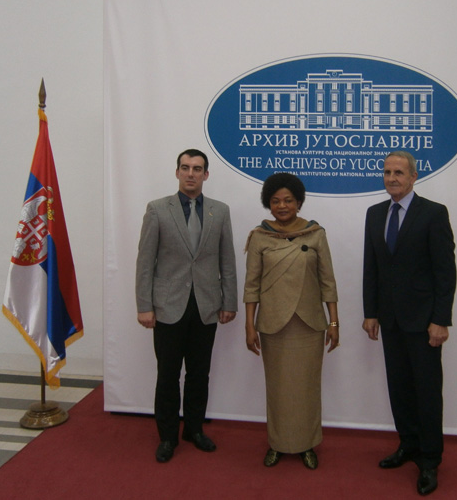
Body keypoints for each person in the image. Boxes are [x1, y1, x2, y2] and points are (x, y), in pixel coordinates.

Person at [362, 151, 456, 496]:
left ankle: (429, 459)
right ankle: (408, 444)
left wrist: (440, 320)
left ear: (414, 176)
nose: (392, 178)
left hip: (423, 322)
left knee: (427, 392)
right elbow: (371, 266)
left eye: (399, 172)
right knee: (399, 388)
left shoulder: (433, 213)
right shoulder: (375, 213)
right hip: (389, 320)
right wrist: (370, 312)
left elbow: (445, 272)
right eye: (387, 172)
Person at [135, 148, 237, 463]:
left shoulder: (220, 211)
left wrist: (229, 301)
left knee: (199, 373)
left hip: (206, 306)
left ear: (206, 174)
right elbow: (145, 262)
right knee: (167, 375)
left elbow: (227, 260)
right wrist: (144, 305)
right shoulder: (157, 209)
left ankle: (194, 429)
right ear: (177, 172)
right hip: (168, 306)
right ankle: (168, 436)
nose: (190, 173)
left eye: (197, 168)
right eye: (185, 167)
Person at [243, 172, 339, 470]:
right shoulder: (260, 236)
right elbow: (251, 285)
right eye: (275, 201)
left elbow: (328, 281)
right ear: (268, 204)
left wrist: (334, 323)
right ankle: (278, 444)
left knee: (307, 387)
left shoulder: (315, 234)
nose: (282, 206)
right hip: (273, 324)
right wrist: (249, 325)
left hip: (309, 324)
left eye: (288, 200)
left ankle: (307, 444)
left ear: (298, 202)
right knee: (278, 388)